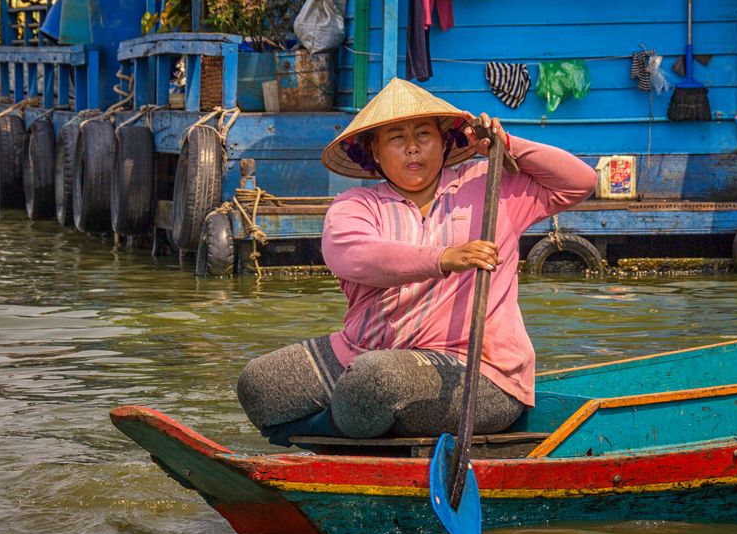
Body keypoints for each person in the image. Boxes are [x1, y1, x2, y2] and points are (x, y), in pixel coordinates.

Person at [237, 77, 597, 446]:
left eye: (423, 134)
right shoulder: (356, 205)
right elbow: (353, 255)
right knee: (260, 383)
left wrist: (507, 145)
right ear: (375, 151)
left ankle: (323, 432)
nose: (412, 148)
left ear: (444, 141)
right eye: (396, 138)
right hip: (364, 350)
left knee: (375, 382)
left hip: (478, 371)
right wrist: (442, 258)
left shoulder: (491, 185)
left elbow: (580, 181)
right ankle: (356, 423)